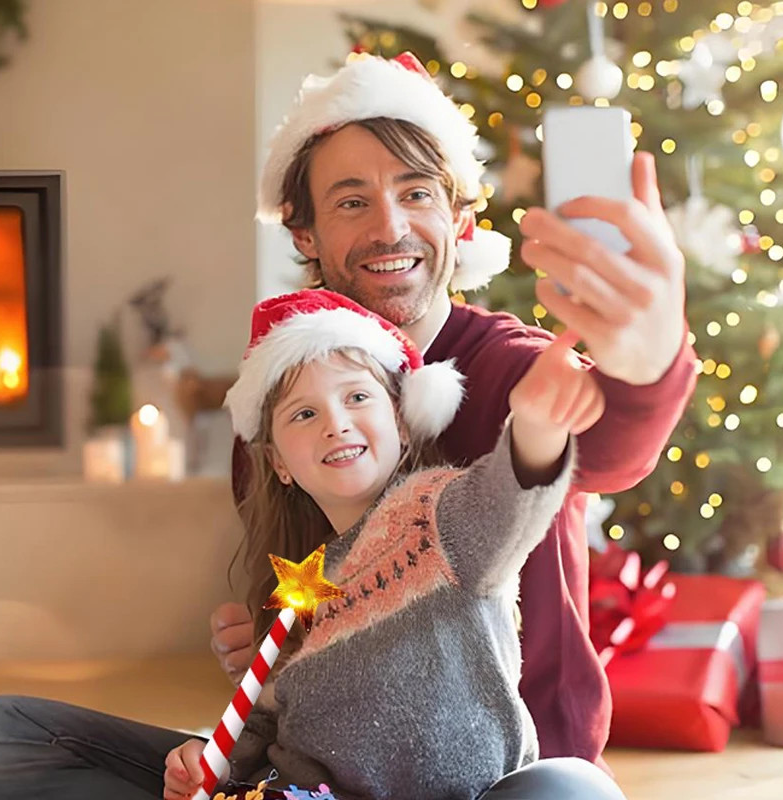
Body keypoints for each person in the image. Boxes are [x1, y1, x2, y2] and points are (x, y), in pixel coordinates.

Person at [213, 50, 697, 766]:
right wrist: (263, 656)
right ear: (303, 233)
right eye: (352, 201)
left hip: (524, 770)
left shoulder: (511, 365)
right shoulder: (277, 412)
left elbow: (616, 445)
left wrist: (650, 358)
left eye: (416, 194)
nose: (390, 228)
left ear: (459, 218)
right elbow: (298, 597)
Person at [165, 286, 624, 800]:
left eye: (357, 397)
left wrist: (538, 428)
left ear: (402, 426)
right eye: (304, 414)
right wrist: (211, 759)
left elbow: (508, 499)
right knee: (54, 732)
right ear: (278, 465)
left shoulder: (438, 518)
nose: (336, 424)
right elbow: (267, 723)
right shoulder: (300, 587)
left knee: (571, 787)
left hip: (484, 793)